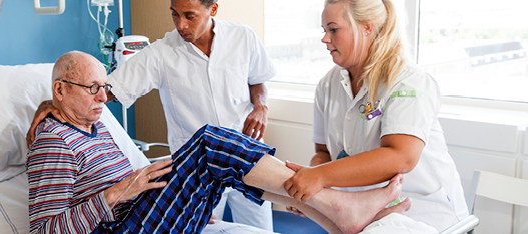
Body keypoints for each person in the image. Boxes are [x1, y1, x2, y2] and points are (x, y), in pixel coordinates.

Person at [27, 51, 411, 234]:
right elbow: (43, 230)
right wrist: (114, 195)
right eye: (92, 89)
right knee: (211, 142)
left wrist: (185, 200)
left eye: (104, 88)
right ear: (60, 90)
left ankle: (330, 212)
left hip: (140, 215)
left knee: (219, 156)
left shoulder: (94, 126)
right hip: (122, 227)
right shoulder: (54, 141)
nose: (102, 99)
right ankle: (339, 206)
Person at [27, 0, 277, 230]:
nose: (180, 25)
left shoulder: (243, 37)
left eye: (189, 16)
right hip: (199, 169)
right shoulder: (160, 54)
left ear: (213, 9)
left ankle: (307, 190)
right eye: (174, 14)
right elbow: (111, 89)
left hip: (247, 149)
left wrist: (261, 107)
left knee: (262, 227)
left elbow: (257, 81)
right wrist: (59, 100)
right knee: (209, 148)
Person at [282, 0, 469, 232]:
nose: (325, 39)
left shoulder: (407, 81)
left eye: (333, 29)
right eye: (324, 30)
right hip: (363, 211)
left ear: (367, 28)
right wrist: (312, 187)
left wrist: (319, 177)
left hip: (422, 214)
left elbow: (401, 156)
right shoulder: (328, 85)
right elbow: (323, 153)